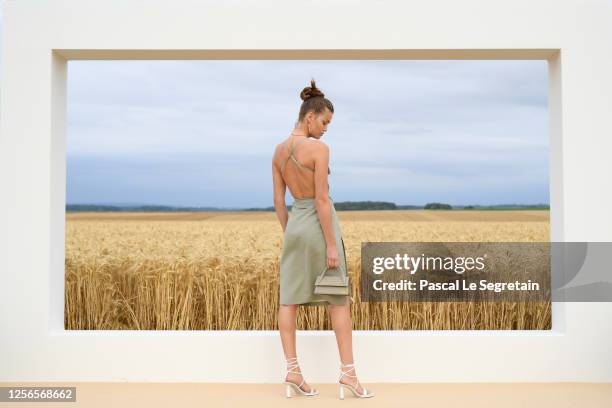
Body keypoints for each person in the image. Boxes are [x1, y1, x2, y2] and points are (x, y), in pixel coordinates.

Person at [271, 79, 375, 399]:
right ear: (310, 117)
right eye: (325, 122)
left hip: (294, 228)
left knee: (289, 300)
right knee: (338, 301)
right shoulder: (318, 149)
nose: (326, 129)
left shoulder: (278, 151)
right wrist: (331, 243)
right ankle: (348, 375)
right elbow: (321, 200)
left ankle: (293, 371)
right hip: (319, 227)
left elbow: (278, 202)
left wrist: (292, 233)